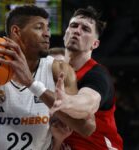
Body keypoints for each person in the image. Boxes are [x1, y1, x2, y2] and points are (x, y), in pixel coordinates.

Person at [0, 5, 99, 150]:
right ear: (16, 32)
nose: (48, 33)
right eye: (39, 27)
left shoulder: (58, 70)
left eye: (48, 28)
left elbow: (87, 127)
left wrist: (31, 84)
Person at [50, 6, 123, 149]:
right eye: (74, 26)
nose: (77, 31)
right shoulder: (53, 69)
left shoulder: (97, 74)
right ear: (65, 35)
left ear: (95, 44)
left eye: (86, 29)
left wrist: (67, 101)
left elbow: (89, 102)